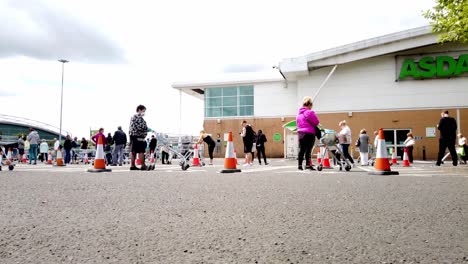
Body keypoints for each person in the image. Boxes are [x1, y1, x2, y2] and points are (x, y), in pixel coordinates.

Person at [296, 96, 319, 170]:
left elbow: (297, 124)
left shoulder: (298, 115)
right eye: (311, 105)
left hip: (301, 133)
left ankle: (299, 165)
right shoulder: (310, 112)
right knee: (308, 150)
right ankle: (308, 165)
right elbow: (316, 122)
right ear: (309, 104)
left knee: (301, 149)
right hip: (309, 133)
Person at [129, 105, 150, 170]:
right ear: (139, 110)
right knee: (141, 151)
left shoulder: (133, 117)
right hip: (138, 136)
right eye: (143, 111)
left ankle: (132, 166)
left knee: (134, 151)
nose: (144, 112)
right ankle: (143, 165)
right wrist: (147, 129)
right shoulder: (138, 117)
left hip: (133, 136)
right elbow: (141, 127)